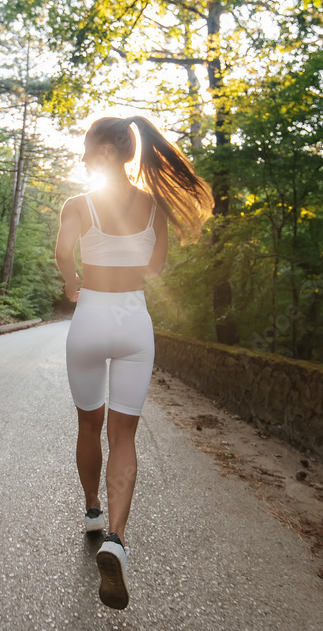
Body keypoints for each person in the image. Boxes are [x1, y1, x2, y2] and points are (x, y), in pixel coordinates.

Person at [54, 115, 213, 610]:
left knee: (89, 424)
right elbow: (156, 267)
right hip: (134, 323)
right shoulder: (154, 208)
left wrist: (73, 286)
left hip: (89, 317)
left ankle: (91, 512)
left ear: (104, 150)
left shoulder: (77, 205)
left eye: (86, 148)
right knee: (124, 434)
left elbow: (63, 254)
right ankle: (115, 539)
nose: (83, 156)